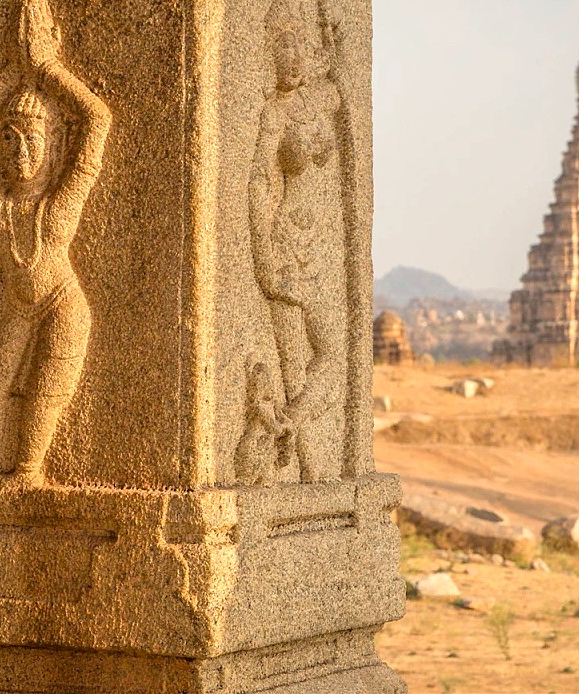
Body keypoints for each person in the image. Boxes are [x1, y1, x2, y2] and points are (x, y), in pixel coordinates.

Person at [0, 0, 111, 488]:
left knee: (45, 391)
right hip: (24, 305)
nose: (22, 152)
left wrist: (47, 69)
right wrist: (12, 70)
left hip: (63, 304)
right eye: (11, 140)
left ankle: (27, 470)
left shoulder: (61, 201)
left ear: (52, 147)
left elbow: (97, 120)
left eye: (34, 141)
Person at [248, 0, 348, 482]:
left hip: (316, 243)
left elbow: (342, 78)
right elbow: (259, 183)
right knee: (293, 365)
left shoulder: (321, 99)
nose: (289, 56)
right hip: (285, 242)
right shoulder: (275, 111)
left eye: (296, 44)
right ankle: (313, 469)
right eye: (279, 46)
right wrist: (264, 260)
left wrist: (330, 25)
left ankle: (287, 422)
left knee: (334, 353)